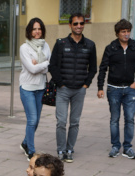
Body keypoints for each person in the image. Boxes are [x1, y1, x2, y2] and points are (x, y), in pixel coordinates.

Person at [49, 12, 97, 163]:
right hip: (63, 90)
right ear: (70, 25)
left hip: (79, 91)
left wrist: (85, 84)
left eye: (81, 23)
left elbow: (93, 68)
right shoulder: (61, 44)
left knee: (75, 122)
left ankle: (69, 150)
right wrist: (60, 83)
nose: (78, 26)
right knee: (61, 121)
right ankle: (61, 150)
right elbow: (53, 66)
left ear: (84, 24)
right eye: (75, 24)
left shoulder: (90, 45)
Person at [97, 19, 135, 159]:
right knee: (114, 119)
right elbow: (102, 69)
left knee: (130, 119)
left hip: (130, 89)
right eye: (123, 32)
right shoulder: (111, 48)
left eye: (128, 31)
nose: (126, 34)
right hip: (114, 89)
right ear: (117, 33)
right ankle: (115, 146)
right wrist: (100, 87)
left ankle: (128, 147)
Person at [19, 17, 51, 160]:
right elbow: (31, 69)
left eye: (39, 29)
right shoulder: (24, 48)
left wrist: (39, 63)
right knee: (32, 120)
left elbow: (46, 69)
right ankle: (31, 151)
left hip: (41, 87)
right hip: (27, 88)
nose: (37, 32)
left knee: (36, 120)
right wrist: (43, 63)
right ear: (30, 31)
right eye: (34, 29)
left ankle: (26, 142)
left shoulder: (46, 46)